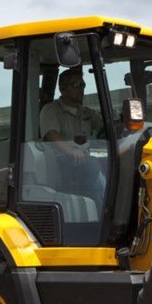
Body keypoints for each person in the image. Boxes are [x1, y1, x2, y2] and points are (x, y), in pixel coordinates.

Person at [38, 67, 105, 209]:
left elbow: (105, 126)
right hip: (61, 161)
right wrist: (71, 151)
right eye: (76, 85)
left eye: (83, 85)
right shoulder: (51, 110)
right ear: (63, 89)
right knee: (95, 167)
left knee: (108, 164)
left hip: (83, 162)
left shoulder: (85, 112)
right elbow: (52, 135)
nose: (81, 89)